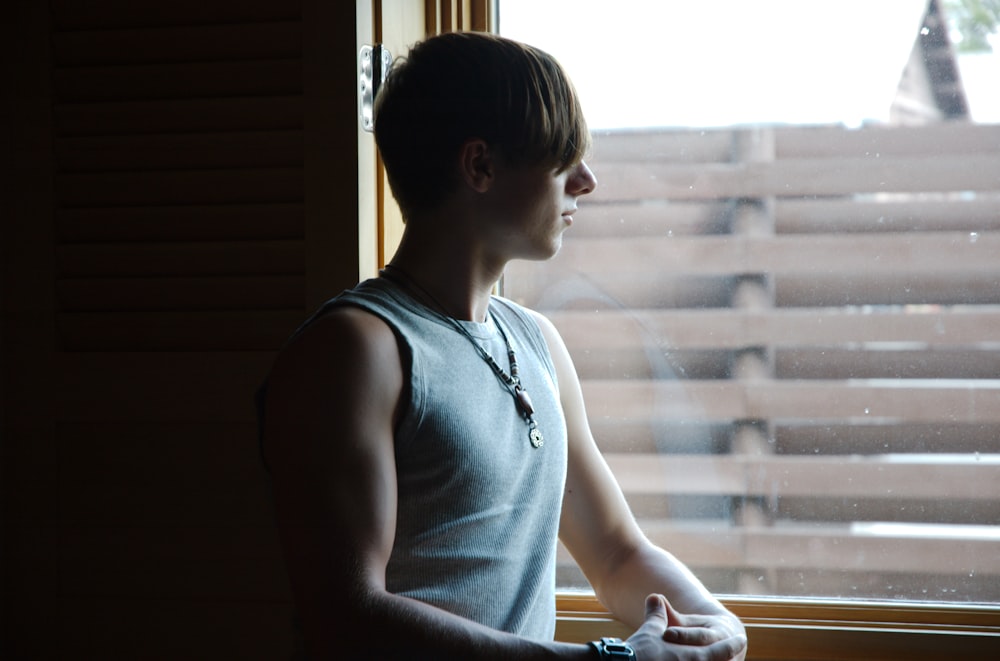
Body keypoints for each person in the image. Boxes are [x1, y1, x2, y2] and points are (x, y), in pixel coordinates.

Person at [258, 31, 748, 660]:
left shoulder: (538, 342)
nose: (587, 181)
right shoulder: (356, 351)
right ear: (480, 167)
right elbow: (348, 616)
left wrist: (721, 624)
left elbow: (617, 553)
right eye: (562, 157)